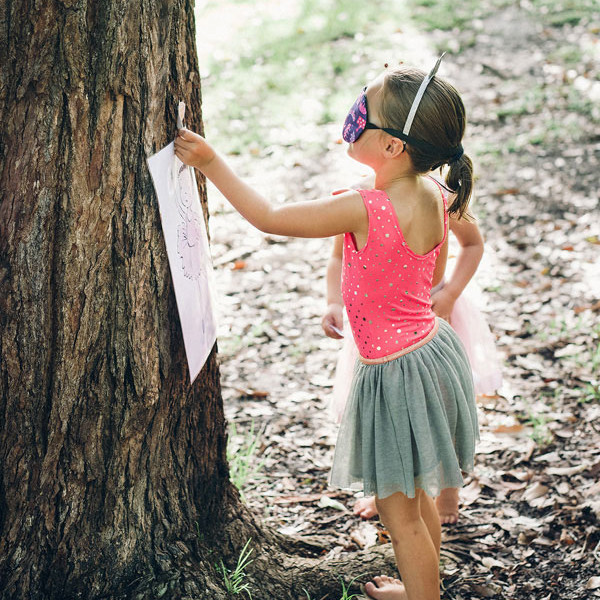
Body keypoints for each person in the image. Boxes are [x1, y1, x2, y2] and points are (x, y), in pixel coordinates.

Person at [175, 55, 479, 600]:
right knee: (415, 495)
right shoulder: (434, 192)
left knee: (398, 509)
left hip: (395, 373)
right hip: (433, 353)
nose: (353, 113)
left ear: (392, 146)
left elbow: (270, 217)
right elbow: (425, 271)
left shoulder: (366, 208)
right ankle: (423, 590)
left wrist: (210, 161)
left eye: (365, 109)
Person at [323, 206, 501, 525]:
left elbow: (473, 243)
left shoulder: (438, 196)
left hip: (432, 317)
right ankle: (392, 488)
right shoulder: (357, 200)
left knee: (442, 408)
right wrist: (333, 301)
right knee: (385, 409)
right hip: (377, 329)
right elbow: (339, 255)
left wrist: (450, 293)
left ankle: (448, 488)